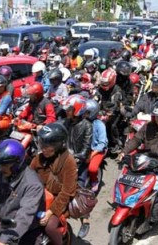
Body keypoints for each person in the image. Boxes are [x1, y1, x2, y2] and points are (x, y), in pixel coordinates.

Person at [120, 100, 158, 244]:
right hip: (145, 163)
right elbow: (136, 140)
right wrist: (124, 152)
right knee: (130, 184)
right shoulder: (147, 127)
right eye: (156, 116)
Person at [30, 123, 78, 245]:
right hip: (39, 198)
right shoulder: (39, 158)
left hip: (58, 201)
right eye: (42, 145)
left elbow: (67, 192)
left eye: (48, 146)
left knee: (50, 227)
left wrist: (50, 212)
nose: (44, 149)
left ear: (58, 146)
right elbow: (28, 176)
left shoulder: (68, 161)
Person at [61, 95, 93, 238]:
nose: (67, 111)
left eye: (69, 109)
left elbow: (86, 148)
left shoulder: (87, 125)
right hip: (65, 160)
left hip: (79, 163)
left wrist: (77, 157)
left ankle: (85, 220)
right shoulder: (66, 123)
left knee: (79, 191)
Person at [85, 99, 108, 192]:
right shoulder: (82, 122)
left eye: (86, 112)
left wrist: (92, 154)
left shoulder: (99, 124)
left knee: (92, 169)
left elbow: (102, 143)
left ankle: (94, 181)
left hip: (98, 150)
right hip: (86, 149)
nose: (83, 114)